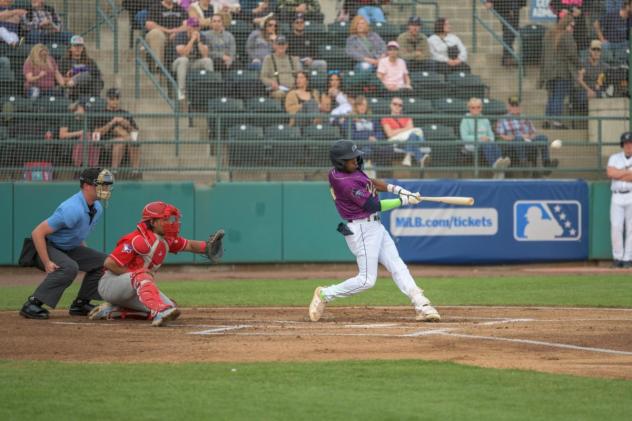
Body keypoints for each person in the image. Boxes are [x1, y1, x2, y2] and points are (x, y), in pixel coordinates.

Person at [308, 140, 440, 322]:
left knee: (397, 265)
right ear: (340, 162)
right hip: (362, 229)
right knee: (366, 280)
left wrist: (397, 189)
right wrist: (404, 201)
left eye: (355, 156)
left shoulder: (350, 171)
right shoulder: (343, 182)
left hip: (375, 226)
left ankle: (422, 304)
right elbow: (372, 205)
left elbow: (369, 182)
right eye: (350, 159)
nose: (355, 160)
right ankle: (325, 294)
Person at [88, 201, 225, 326]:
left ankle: (113, 310)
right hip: (111, 284)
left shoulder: (165, 239)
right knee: (143, 277)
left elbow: (188, 244)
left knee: (170, 308)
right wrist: (135, 274)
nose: (170, 222)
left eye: (170, 219)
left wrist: (206, 247)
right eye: (165, 219)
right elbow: (109, 263)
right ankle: (159, 312)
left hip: (134, 286)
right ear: (152, 222)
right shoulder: (137, 240)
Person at [18, 168, 114, 319]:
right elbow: (37, 233)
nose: (106, 189)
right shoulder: (71, 208)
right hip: (46, 247)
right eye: (102, 185)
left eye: (107, 185)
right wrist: (47, 261)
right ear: (87, 186)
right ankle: (32, 304)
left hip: (68, 248)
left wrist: (88, 257)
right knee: (69, 267)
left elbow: (76, 233)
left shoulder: (97, 207)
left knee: (106, 262)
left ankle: (81, 304)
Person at [495, 96, 559, 175]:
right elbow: (500, 135)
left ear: (519, 106)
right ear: (509, 107)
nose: (515, 107)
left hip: (528, 141)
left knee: (543, 138)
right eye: (513, 105)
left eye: (517, 105)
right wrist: (516, 137)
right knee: (518, 139)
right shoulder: (503, 119)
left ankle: (547, 164)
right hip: (514, 143)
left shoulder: (524, 117)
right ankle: (524, 165)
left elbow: (532, 132)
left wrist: (530, 136)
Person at [539, 14, 579, 130]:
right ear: (567, 24)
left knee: (551, 96)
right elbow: (572, 54)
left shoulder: (548, 35)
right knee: (559, 96)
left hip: (549, 72)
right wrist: (580, 66)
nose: (573, 29)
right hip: (562, 72)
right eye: (572, 26)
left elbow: (543, 55)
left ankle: (547, 120)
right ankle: (556, 122)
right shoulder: (566, 35)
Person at [93, 88, 142, 179]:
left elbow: (136, 132)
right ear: (107, 99)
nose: (115, 101)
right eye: (112, 99)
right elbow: (97, 133)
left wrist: (127, 125)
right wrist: (112, 123)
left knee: (134, 141)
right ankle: (114, 172)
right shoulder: (101, 113)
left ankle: (136, 172)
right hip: (107, 142)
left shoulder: (125, 113)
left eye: (117, 98)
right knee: (120, 140)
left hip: (127, 141)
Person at [460, 97, 510, 179]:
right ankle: (496, 167)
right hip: (472, 144)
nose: (476, 109)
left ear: (481, 108)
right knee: (487, 144)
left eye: (478, 107)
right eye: (473, 107)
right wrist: (480, 138)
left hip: (487, 142)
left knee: (493, 143)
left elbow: (491, 135)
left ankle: (500, 165)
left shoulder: (485, 120)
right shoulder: (465, 120)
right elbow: (464, 137)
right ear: (469, 108)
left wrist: (488, 139)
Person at [381, 96, 431, 168]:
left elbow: (411, 130)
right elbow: (390, 134)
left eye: (400, 105)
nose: (397, 106)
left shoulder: (407, 117)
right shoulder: (385, 119)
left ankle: (408, 156)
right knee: (413, 136)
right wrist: (405, 129)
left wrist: (397, 131)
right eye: (395, 104)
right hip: (396, 142)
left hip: (409, 141)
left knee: (413, 136)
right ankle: (420, 159)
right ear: (390, 105)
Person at [172, 16, 214, 101]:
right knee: (184, 60)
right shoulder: (181, 36)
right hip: (178, 64)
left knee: (208, 61)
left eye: (197, 26)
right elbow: (183, 54)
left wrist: (198, 41)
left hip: (194, 63)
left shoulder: (201, 36)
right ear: (188, 26)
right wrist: (192, 40)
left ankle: (211, 87)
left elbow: (205, 55)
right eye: (193, 26)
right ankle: (181, 91)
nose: (195, 28)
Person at [606, 131, 632, 268]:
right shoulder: (614, 157)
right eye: (626, 143)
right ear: (622, 145)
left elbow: (618, 174)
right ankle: (617, 258)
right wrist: (627, 173)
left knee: (631, 228)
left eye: (631, 143)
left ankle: (628, 258)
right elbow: (610, 173)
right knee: (616, 227)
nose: (629, 145)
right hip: (617, 195)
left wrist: (619, 173)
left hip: (631, 195)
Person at [58, 35, 104, 100]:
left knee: (87, 75)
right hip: (70, 88)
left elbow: (96, 74)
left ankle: (92, 100)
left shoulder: (89, 61)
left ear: (83, 48)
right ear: (70, 48)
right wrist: (68, 79)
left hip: (86, 88)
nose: (77, 48)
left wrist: (79, 74)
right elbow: (59, 75)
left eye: (80, 46)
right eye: (75, 46)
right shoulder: (64, 61)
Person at [145, 0, 187, 68]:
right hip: (161, 33)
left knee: (185, 34)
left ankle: (177, 67)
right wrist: (167, 31)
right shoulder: (155, 7)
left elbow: (186, 25)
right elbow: (149, 24)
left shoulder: (179, 8)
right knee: (155, 33)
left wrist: (176, 31)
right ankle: (158, 65)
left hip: (176, 34)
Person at [59, 100, 101, 168]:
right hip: (72, 141)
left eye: (86, 109)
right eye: (83, 108)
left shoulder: (88, 118)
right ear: (78, 107)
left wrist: (95, 136)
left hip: (88, 142)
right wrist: (80, 133)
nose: (85, 110)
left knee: (92, 139)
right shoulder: (68, 117)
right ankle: (78, 166)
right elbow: (62, 135)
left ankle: (92, 166)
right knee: (84, 137)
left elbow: (94, 132)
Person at [484, 1, 526, 66]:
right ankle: (507, 58)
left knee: (513, 31)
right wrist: (489, 1)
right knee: (508, 30)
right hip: (504, 6)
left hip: (515, 7)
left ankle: (508, 55)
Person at [572, 39, 609, 115]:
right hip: (584, 90)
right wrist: (589, 90)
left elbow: (603, 80)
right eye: (593, 49)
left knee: (603, 95)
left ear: (601, 52)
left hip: (597, 91)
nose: (596, 52)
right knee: (582, 97)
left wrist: (598, 86)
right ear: (589, 50)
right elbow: (580, 80)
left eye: (598, 50)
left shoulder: (605, 66)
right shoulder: (583, 64)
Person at [260, 35, 302, 101]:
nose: (281, 46)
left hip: (293, 89)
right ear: (274, 45)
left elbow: (300, 75)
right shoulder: (268, 59)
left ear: (287, 45)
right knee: (280, 93)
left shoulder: (294, 59)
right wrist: (271, 82)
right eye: (279, 44)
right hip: (278, 90)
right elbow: (263, 77)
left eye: (283, 44)